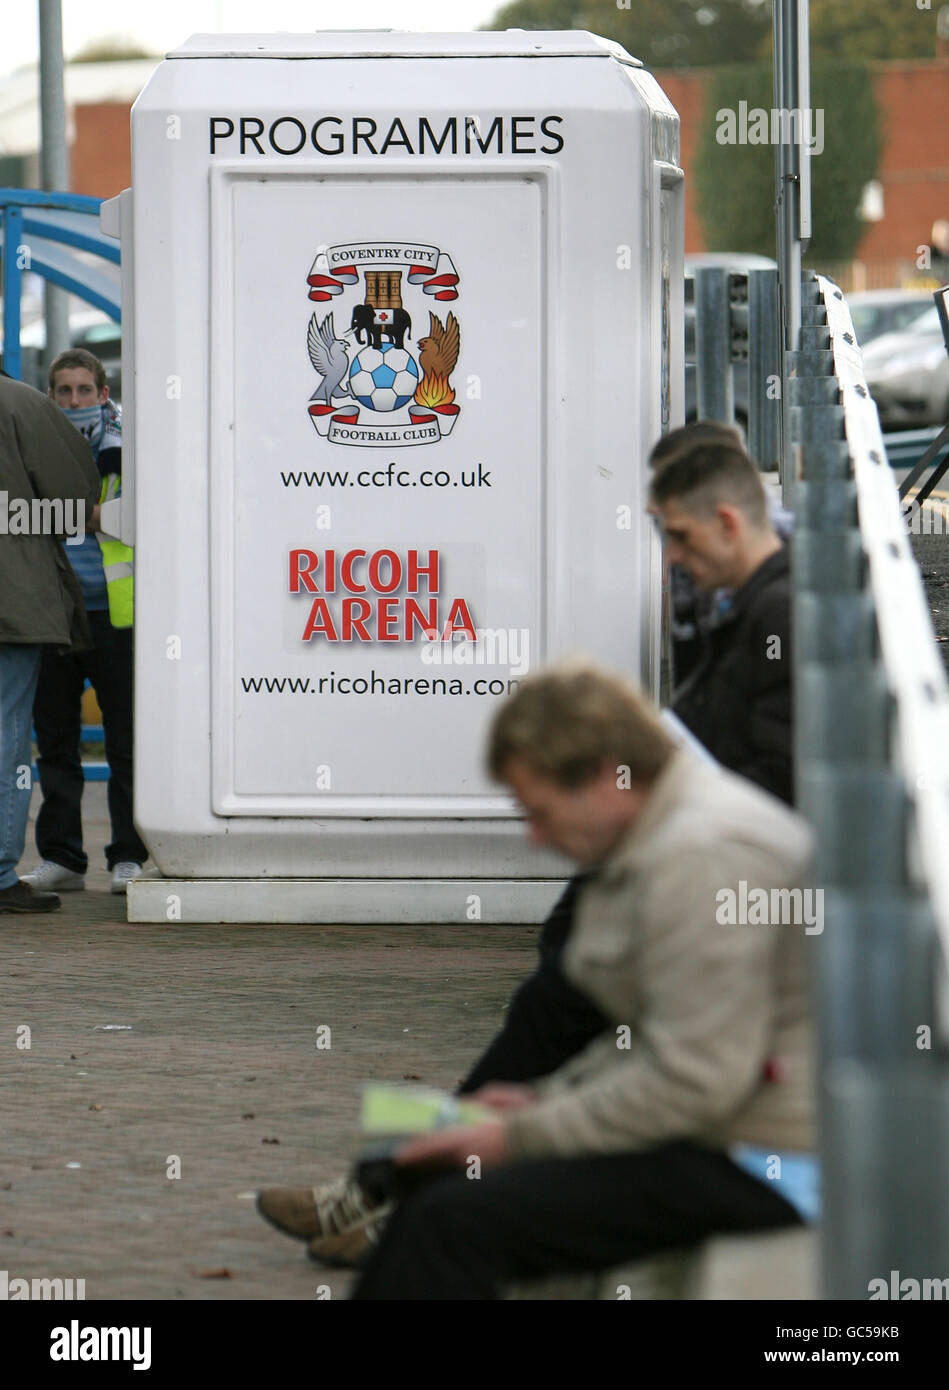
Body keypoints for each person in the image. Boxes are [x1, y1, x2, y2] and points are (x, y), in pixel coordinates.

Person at [343, 664, 816, 1298]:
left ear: (603, 777)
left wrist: (522, 1135)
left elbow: (692, 1077)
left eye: (540, 812)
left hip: (766, 1157)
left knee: (452, 1221)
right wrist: (548, 1100)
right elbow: (656, 1040)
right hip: (735, 1132)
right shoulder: (669, 837)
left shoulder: (702, 857)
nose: (536, 838)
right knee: (443, 1194)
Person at [21, 349, 148, 896]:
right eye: (64, 392)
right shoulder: (31, 441)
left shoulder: (132, 449)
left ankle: (128, 855)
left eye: (84, 391)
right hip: (54, 613)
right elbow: (16, 513)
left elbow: (135, 517)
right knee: (56, 742)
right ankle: (63, 857)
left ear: (103, 394)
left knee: (126, 743)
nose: (74, 401)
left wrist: (80, 512)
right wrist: (93, 513)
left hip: (117, 617)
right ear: (50, 396)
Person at [648, 425, 793, 805]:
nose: (671, 557)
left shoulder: (776, 614)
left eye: (681, 536)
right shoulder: (756, 603)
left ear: (728, 524)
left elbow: (780, 778)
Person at [0, 370, 101, 913]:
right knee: (8, 733)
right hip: (12, 600)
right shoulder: (22, 404)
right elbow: (72, 503)